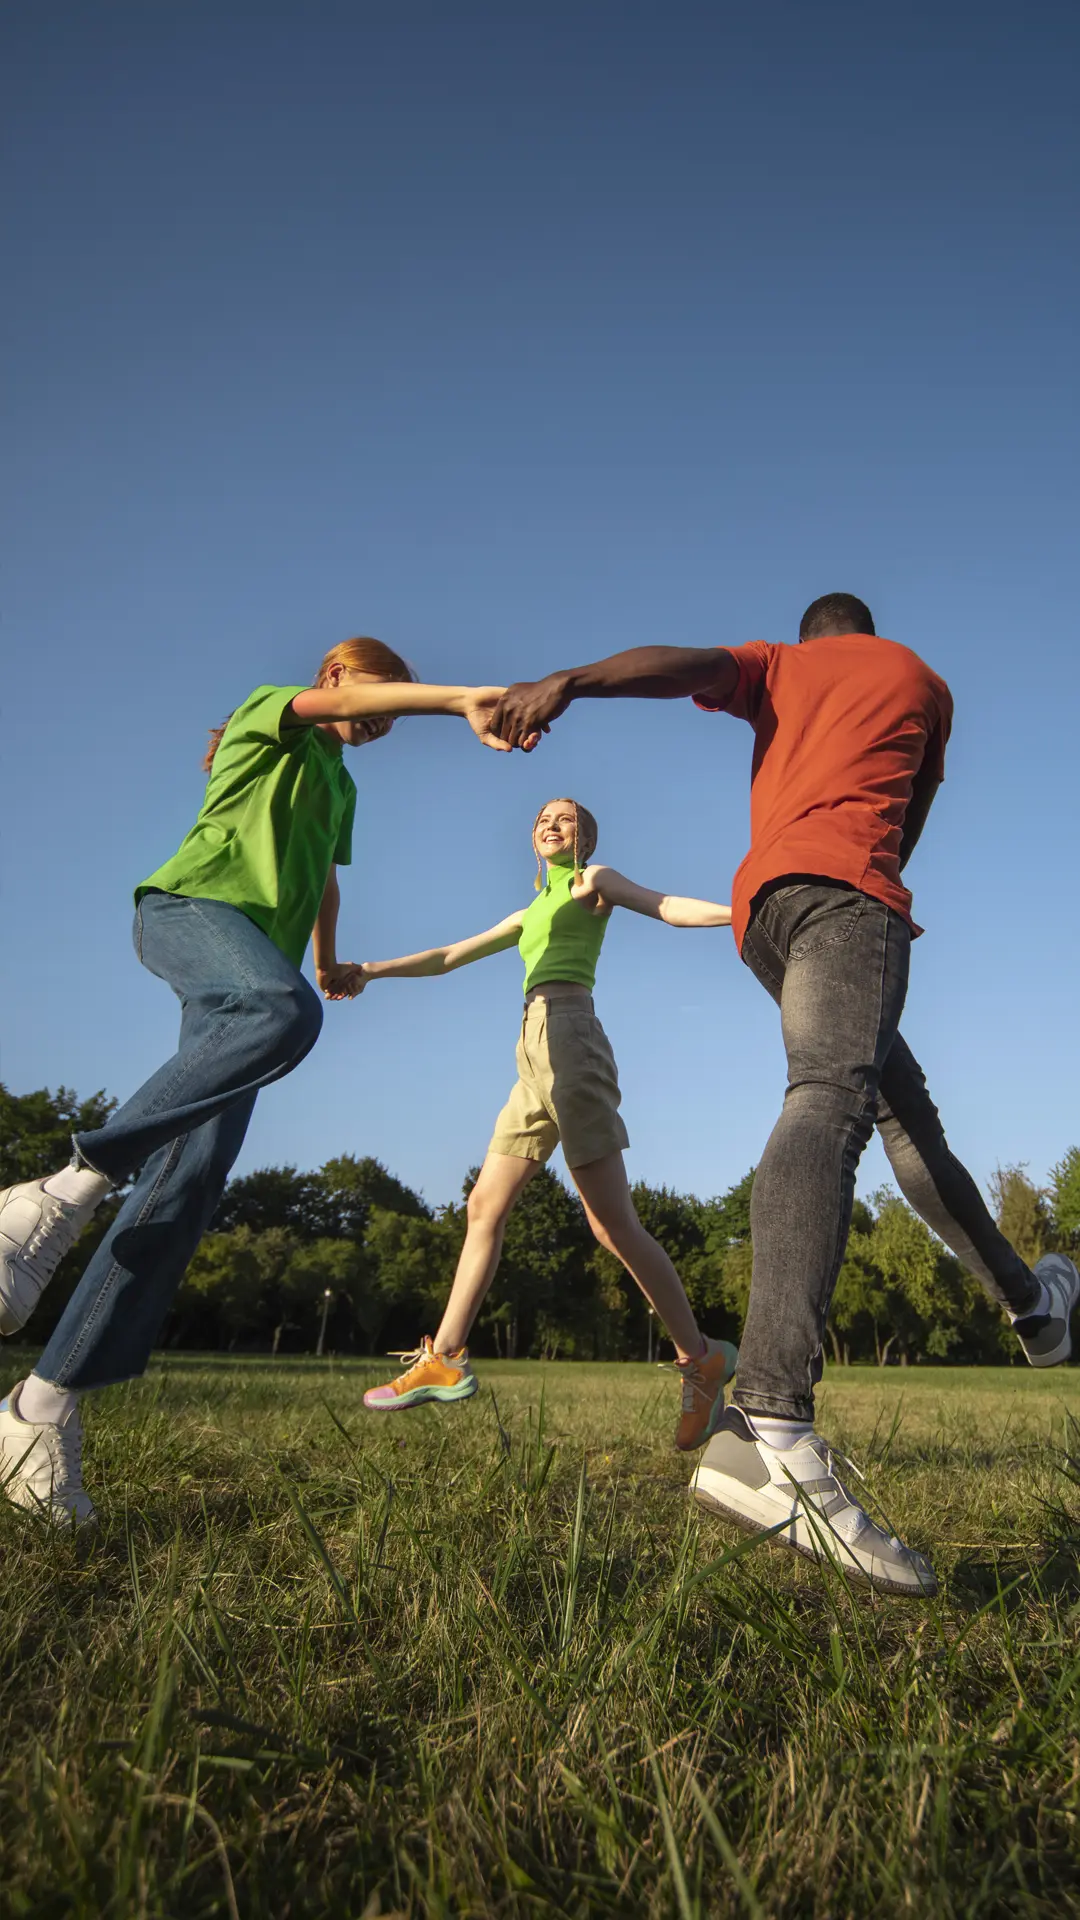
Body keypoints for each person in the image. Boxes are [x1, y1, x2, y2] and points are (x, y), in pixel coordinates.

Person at [487, 594, 1080, 1597]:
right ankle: (773, 1431)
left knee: (899, 1111)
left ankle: (1037, 1309)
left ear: (810, 637)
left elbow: (681, 663)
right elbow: (905, 825)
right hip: (849, 900)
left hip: (765, 910)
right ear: (867, 631)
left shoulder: (778, 667)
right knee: (830, 1102)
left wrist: (571, 680)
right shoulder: (921, 681)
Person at [0, 639, 511, 1526]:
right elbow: (328, 716)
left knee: (191, 1178)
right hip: (192, 913)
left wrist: (328, 965)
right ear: (335, 673)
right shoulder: (272, 710)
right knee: (279, 1018)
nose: (382, 720)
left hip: (256, 978)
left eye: (393, 717)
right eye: (376, 696)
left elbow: (321, 884)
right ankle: (57, 1194)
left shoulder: (341, 785)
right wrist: (465, 696)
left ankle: (40, 1408)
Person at [354, 797, 739, 1449]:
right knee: (484, 1206)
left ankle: (698, 1359)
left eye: (565, 819)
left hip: (572, 1040)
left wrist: (743, 911)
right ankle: (446, 1356)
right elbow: (449, 954)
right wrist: (366, 971)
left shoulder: (593, 881)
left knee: (610, 1223)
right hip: (531, 1050)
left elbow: (666, 906)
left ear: (585, 837)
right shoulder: (530, 910)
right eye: (541, 820)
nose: (550, 825)